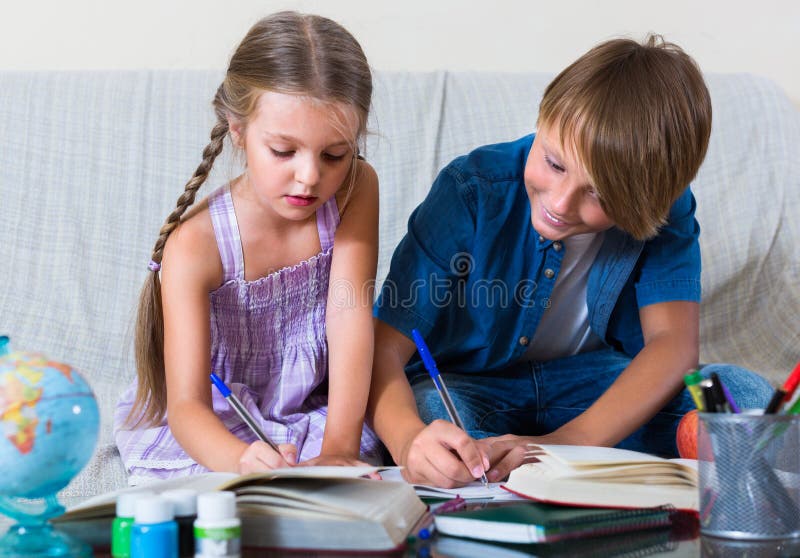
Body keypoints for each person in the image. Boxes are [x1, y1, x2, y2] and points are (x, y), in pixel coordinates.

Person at [366, 35, 774, 488]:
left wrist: (567, 441)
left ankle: (556, 465)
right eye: (555, 163)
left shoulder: (664, 207)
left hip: (592, 392)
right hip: (471, 388)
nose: (559, 203)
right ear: (542, 121)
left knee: (738, 393)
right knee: (435, 415)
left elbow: (672, 345)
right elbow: (385, 348)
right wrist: (408, 444)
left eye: (598, 193)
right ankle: (518, 470)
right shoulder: (472, 190)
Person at [114, 11, 382, 483]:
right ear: (238, 130)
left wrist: (339, 447)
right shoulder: (195, 247)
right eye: (283, 151)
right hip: (218, 425)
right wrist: (242, 459)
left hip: (320, 410)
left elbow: (349, 316)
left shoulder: (356, 188)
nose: (310, 177)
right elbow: (187, 406)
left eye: (334, 154)